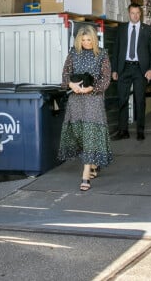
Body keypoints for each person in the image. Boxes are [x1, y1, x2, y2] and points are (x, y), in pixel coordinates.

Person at [58, 25, 113, 192]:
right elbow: (66, 73)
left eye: (89, 40)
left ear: (94, 40)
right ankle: (93, 162)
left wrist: (92, 88)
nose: (86, 43)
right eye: (83, 40)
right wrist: (71, 84)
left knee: (90, 134)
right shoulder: (73, 53)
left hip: (93, 99)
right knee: (80, 133)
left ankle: (85, 173)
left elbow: (106, 77)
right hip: (76, 99)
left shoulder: (102, 54)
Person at [110, 3, 151, 141]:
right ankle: (123, 131)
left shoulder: (147, 30)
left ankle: (140, 131)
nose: (135, 15)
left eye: (137, 13)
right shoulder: (121, 29)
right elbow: (116, 50)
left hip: (140, 69)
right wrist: (114, 69)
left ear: (140, 14)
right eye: (132, 13)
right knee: (122, 99)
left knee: (140, 100)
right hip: (124, 68)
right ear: (128, 13)